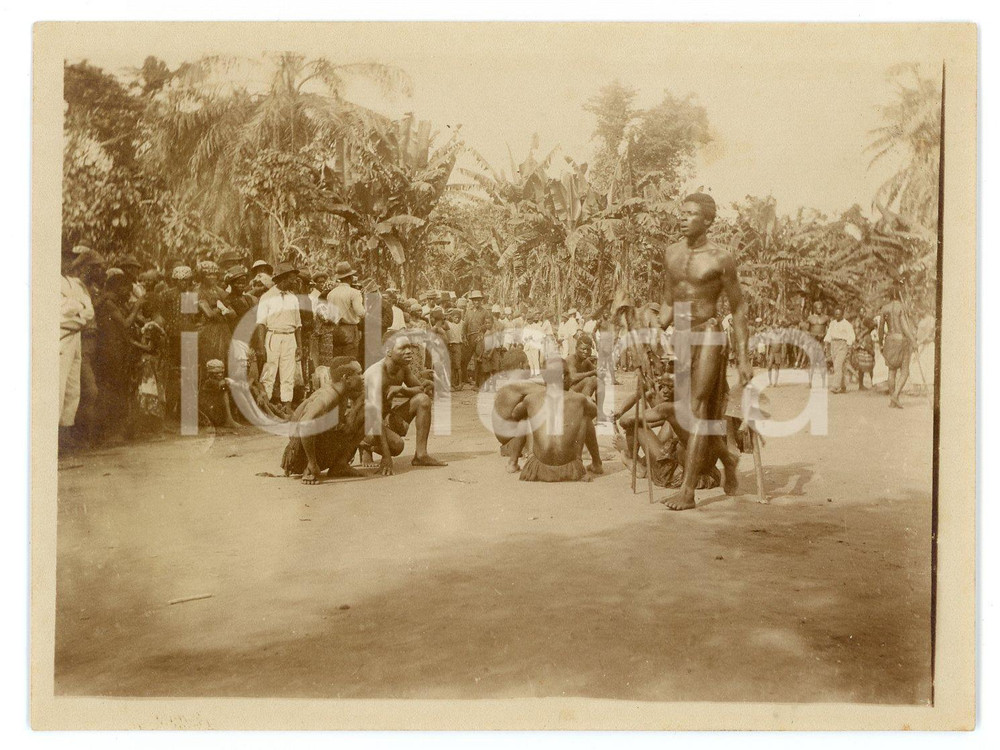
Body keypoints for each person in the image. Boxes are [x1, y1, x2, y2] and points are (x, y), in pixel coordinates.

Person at [656, 192, 752, 510]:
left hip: (709, 333)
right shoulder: (671, 253)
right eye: (681, 212)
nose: (682, 218)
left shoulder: (721, 259)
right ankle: (727, 459)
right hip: (682, 332)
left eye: (691, 214)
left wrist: (744, 358)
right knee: (690, 413)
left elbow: (738, 308)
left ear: (708, 221)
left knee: (698, 408)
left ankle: (687, 491)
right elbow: (668, 303)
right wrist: (653, 325)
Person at [491, 364, 604, 481]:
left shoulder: (526, 394)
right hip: (572, 468)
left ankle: (512, 463)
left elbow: (516, 414)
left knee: (527, 416)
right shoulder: (579, 398)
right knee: (585, 418)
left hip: (535, 467)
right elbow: (593, 413)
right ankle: (597, 463)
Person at [360, 336, 448, 472]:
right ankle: (364, 444)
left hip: (384, 418)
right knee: (397, 446)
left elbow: (421, 389)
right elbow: (373, 417)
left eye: (409, 347)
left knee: (423, 400)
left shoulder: (403, 367)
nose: (409, 351)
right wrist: (386, 457)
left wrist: (402, 389)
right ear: (388, 351)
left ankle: (421, 455)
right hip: (365, 424)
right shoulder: (376, 374)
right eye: (402, 348)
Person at [281, 358, 367, 484]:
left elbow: (365, 395)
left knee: (367, 414)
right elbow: (304, 424)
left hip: (317, 445)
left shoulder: (342, 389)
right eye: (359, 373)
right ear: (346, 378)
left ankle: (340, 465)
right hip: (300, 455)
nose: (363, 377)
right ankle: (310, 468)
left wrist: (353, 412)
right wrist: (311, 462)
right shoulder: (328, 396)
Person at [254, 262, 302, 416]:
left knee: (288, 373)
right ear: (283, 278)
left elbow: (298, 325)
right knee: (269, 372)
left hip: (290, 337)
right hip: (273, 336)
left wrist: (299, 346)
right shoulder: (267, 297)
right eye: (292, 279)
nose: (294, 281)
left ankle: (287, 406)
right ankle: (266, 408)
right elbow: (261, 324)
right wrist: (261, 346)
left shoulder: (293, 298)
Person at [60, 246, 96, 446]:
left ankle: (66, 431)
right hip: (62, 334)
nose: (67, 263)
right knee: (60, 383)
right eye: (64, 258)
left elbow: (89, 310)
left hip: (76, 336)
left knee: (73, 387)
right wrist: (78, 307)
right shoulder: (51, 280)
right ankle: (56, 435)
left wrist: (77, 308)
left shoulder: (74, 283)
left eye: (70, 259)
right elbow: (62, 308)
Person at [879, 287, 918, 409]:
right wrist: (913, 341)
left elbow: (880, 328)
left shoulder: (884, 308)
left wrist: (880, 343)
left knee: (891, 371)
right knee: (905, 371)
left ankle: (892, 401)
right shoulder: (901, 307)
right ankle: (895, 396)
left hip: (889, 339)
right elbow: (905, 327)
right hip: (901, 340)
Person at [325, 261, 365, 361]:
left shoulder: (331, 294)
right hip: (349, 329)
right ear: (350, 278)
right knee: (350, 359)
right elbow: (360, 312)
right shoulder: (354, 293)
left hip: (335, 329)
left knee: (337, 358)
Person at [462, 290, 492, 387]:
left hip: (479, 338)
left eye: (478, 300)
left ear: (481, 300)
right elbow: (464, 325)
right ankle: (464, 380)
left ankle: (478, 383)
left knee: (479, 360)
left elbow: (488, 324)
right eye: (474, 300)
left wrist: (481, 332)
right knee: (465, 359)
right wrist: (464, 337)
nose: (476, 302)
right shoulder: (468, 311)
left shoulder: (485, 312)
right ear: (472, 301)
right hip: (469, 337)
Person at [824, 306, 856, 394]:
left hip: (842, 345)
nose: (837, 316)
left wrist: (849, 346)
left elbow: (851, 336)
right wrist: (826, 344)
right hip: (833, 345)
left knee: (838, 365)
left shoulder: (847, 324)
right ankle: (843, 386)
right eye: (836, 314)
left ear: (842, 314)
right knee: (839, 366)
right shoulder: (832, 323)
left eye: (839, 314)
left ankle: (835, 386)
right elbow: (829, 334)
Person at [851, 306, 877, 390]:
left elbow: (874, 325)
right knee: (861, 366)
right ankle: (861, 385)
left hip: (868, 343)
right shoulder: (857, 322)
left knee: (871, 363)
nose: (863, 313)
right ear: (858, 313)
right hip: (861, 344)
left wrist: (867, 330)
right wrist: (864, 334)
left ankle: (873, 383)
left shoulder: (866, 320)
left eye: (864, 312)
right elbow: (857, 335)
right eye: (861, 312)